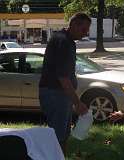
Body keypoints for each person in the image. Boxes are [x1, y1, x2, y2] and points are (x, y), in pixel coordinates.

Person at [39, 12, 91, 155]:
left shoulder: (64, 40)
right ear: (74, 24)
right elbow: (63, 78)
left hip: (59, 94)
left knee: (62, 133)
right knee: (58, 137)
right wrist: (78, 103)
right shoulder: (64, 42)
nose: (85, 33)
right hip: (56, 93)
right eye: (83, 29)